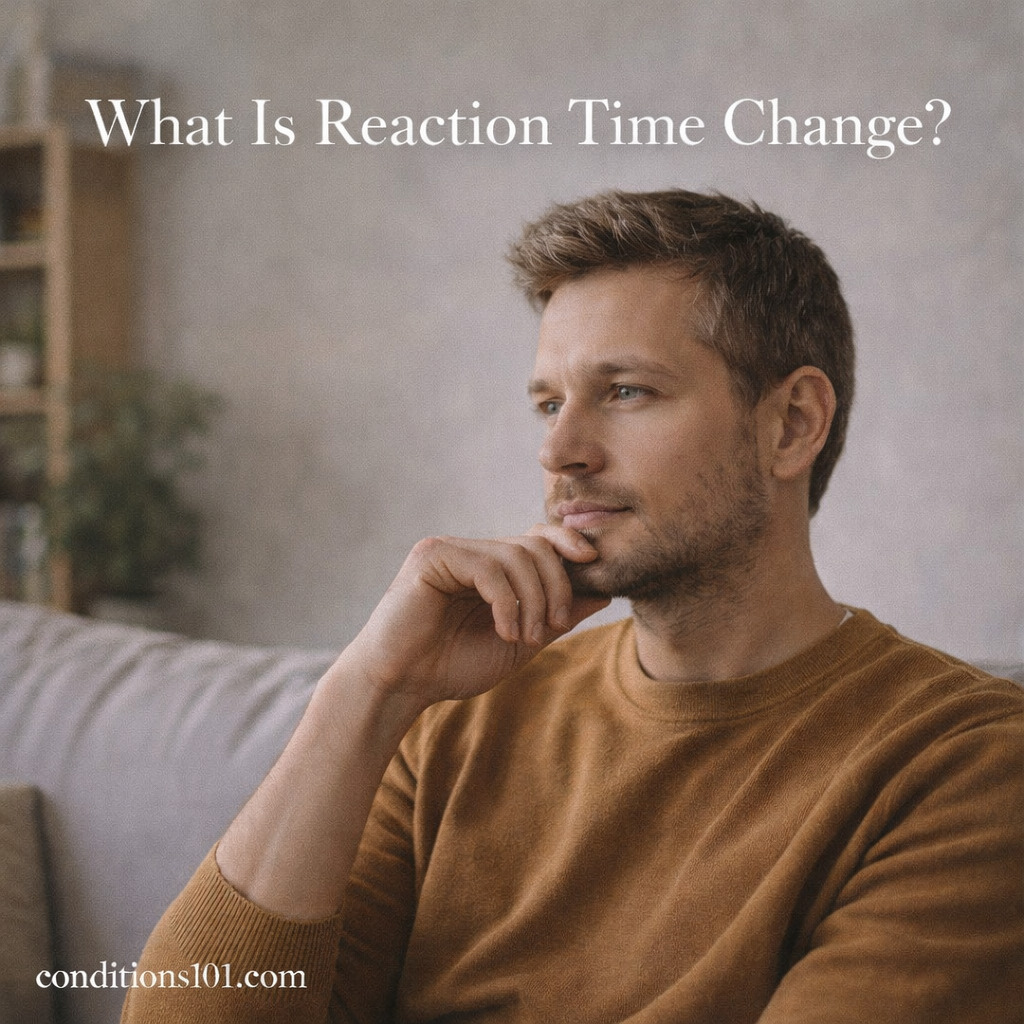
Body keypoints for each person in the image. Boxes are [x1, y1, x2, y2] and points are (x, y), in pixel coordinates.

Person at [122, 190, 1023, 1024]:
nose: (560, 451)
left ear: (791, 424)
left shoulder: (970, 767)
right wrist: (366, 692)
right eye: (549, 402)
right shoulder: (452, 720)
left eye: (626, 392)